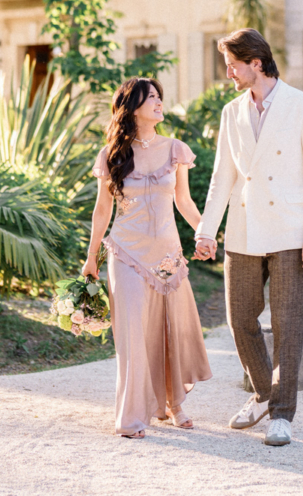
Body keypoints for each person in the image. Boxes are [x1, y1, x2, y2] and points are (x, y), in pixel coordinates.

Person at [193, 28, 303, 448]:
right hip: (244, 229)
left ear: (256, 63)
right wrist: (206, 231)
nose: (228, 73)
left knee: (288, 324)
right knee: (240, 320)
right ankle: (264, 394)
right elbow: (222, 177)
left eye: (233, 64)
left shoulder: (302, 106)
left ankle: (282, 415)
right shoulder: (232, 112)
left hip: (291, 230)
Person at [82, 77, 212, 438]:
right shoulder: (111, 154)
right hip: (125, 252)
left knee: (169, 329)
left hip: (167, 254)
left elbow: (183, 202)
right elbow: (101, 209)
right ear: (132, 106)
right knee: (132, 336)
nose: (158, 102)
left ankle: (174, 404)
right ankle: (130, 417)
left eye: (159, 96)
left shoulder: (176, 149)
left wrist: (206, 232)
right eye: (150, 97)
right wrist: (91, 257)